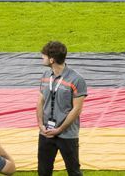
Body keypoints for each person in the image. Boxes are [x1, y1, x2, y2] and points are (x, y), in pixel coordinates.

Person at [37, 40, 87, 176]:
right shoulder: (45, 76)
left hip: (67, 134)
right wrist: (40, 124)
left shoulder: (76, 79)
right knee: (43, 170)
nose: (42, 57)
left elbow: (77, 109)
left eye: (44, 56)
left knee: (73, 171)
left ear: (52, 60)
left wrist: (59, 129)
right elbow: (41, 101)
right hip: (46, 132)